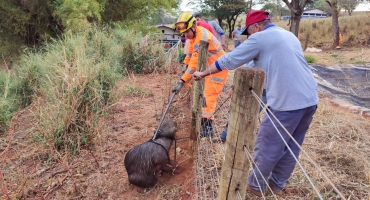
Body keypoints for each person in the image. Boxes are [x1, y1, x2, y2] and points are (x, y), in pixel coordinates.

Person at [192, 10, 318, 196]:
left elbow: (229, 60)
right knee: (291, 145)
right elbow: (265, 66)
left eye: (248, 32)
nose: (248, 37)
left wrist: (202, 73)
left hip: (287, 103)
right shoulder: (287, 35)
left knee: (267, 144)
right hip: (310, 99)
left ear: (255, 27)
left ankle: (255, 187)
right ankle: (276, 184)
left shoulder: (260, 38)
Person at [172, 11, 229, 137]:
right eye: (183, 33)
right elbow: (191, 53)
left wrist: (182, 80)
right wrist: (184, 64)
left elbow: (194, 64)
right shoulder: (195, 35)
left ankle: (207, 129)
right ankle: (205, 126)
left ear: (193, 26)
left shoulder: (202, 37)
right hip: (209, 69)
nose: (186, 35)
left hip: (218, 70)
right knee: (205, 97)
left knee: (208, 98)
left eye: (187, 32)